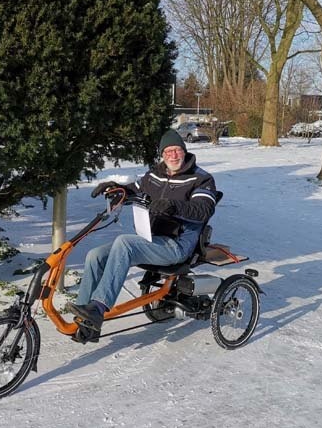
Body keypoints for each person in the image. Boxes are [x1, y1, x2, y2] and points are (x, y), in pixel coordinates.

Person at [69, 129, 219, 335]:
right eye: (168, 152)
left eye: (177, 150)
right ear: (162, 154)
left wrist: (173, 206)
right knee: (95, 256)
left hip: (177, 246)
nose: (173, 155)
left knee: (124, 242)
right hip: (151, 240)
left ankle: (98, 307)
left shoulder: (200, 179)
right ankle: (84, 320)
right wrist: (116, 188)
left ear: (184, 151)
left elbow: (203, 210)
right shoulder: (154, 175)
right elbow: (135, 189)